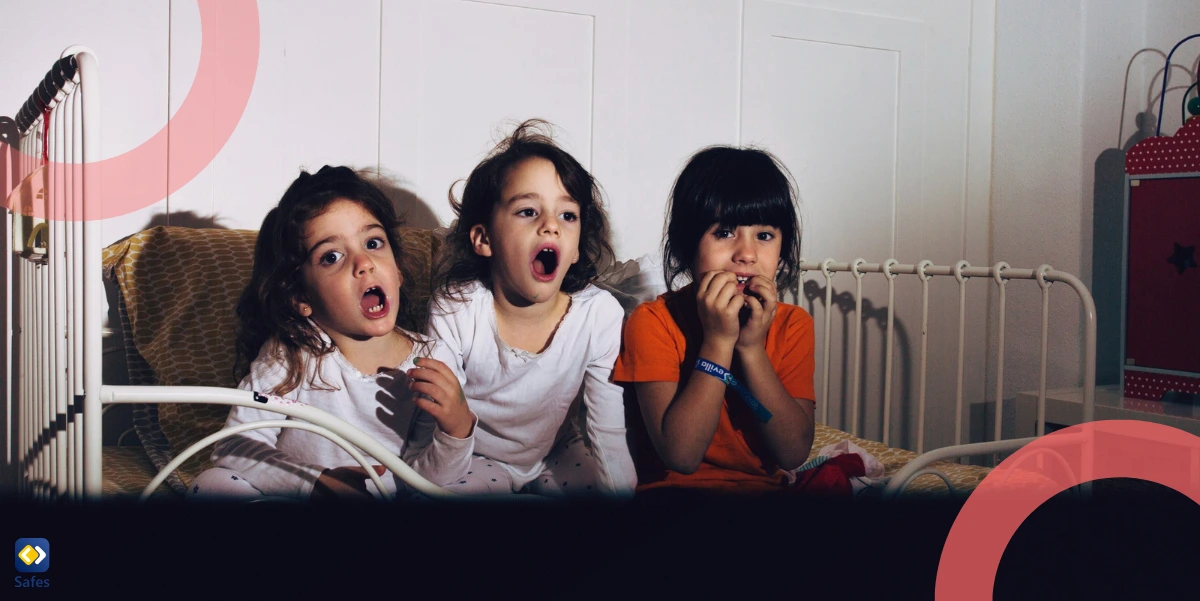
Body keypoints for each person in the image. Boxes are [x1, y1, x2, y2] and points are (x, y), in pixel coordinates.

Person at [190, 165, 476, 502]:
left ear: (397, 271)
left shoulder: (433, 359)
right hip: (303, 499)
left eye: (373, 242)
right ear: (301, 297)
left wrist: (456, 430)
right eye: (332, 257)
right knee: (214, 483)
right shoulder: (292, 354)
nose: (364, 263)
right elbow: (236, 447)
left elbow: (427, 478)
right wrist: (315, 482)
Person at [614, 146, 862, 499]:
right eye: (725, 232)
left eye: (764, 236)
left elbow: (792, 453)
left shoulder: (793, 325)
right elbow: (681, 456)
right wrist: (717, 342)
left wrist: (751, 348)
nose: (746, 254)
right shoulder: (652, 322)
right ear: (687, 245)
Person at [427, 119, 636, 499]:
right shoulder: (457, 309)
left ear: (575, 250)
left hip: (558, 452)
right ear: (484, 238)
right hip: (477, 456)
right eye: (528, 211)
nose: (551, 226)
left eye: (567, 215)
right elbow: (443, 428)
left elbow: (608, 435)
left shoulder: (599, 315)